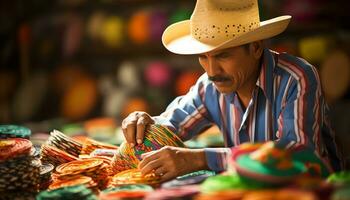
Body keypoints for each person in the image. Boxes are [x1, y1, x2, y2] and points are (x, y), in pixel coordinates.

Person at [122, 0, 343, 182]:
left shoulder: (296, 77)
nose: (211, 71)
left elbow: (298, 157)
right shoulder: (209, 86)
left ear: (256, 47)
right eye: (203, 57)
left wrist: (201, 159)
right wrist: (145, 125)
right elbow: (169, 128)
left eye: (223, 55)